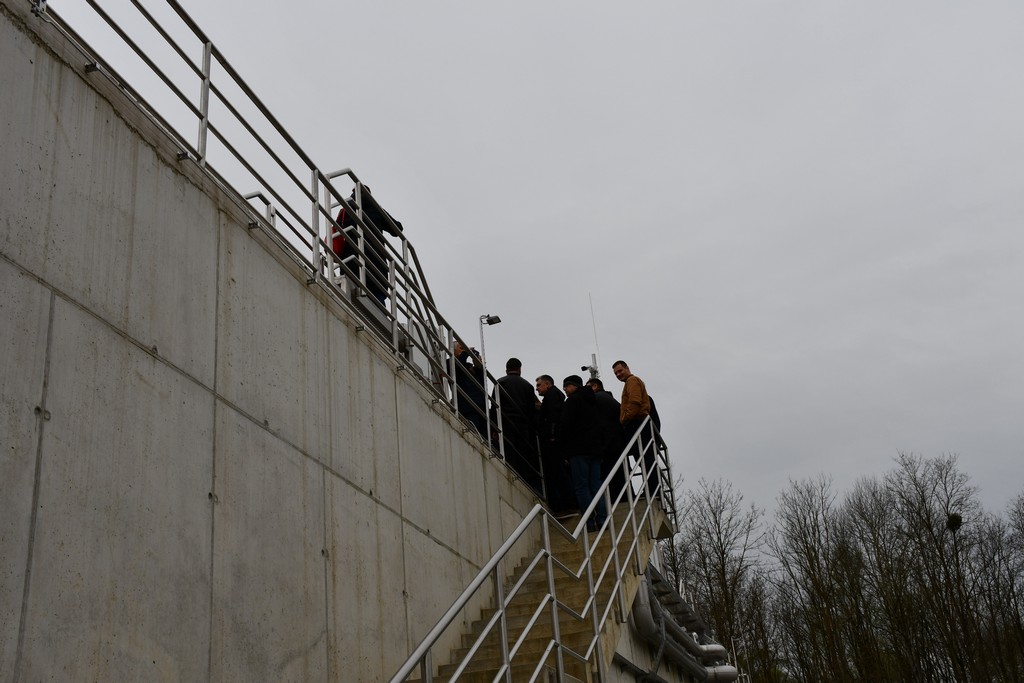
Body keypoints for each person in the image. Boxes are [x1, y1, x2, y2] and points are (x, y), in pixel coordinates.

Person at [331, 184, 403, 305]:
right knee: (378, 304)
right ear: (369, 194)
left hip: (350, 263)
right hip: (376, 265)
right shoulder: (376, 209)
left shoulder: (345, 209)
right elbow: (397, 229)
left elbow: (336, 233)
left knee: (348, 301)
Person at [559, 375, 606, 532]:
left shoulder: (572, 401)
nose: (564, 389)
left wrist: (564, 451)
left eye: (566, 386)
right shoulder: (594, 401)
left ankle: (589, 522)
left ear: (574, 386)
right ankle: (603, 519)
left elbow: (564, 426)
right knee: (596, 485)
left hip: (578, 451)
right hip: (595, 450)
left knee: (582, 487)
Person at [494, 358, 541, 495]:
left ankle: (510, 474)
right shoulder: (527, 386)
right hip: (523, 425)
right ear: (520, 369)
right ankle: (524, 480)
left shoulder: (500, 382)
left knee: (509, 451)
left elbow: (494, 405)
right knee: (522, 453)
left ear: (506, 368)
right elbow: (531, 409)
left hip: (506, 422)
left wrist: (494, 427)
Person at [612, 360, 658, 497]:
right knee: (644, 459)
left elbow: (635, 401)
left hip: (637, 422)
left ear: (627, 368)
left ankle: (652, 489)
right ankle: (651, 488)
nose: (618, 374)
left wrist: (624, 418)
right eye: (616, 373)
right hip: (637, 422)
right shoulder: (630, 382)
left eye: (620, 371)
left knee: (645, 458)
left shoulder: (632, 381)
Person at [535, 375, 573, 516]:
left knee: (557, 472)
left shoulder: (552, 396)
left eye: (539, 385)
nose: (537, 388)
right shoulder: (554, 396)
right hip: (554, 440)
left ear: (547, 384)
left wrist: (551, 436)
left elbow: (553, 417)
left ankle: (565, 505)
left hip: (552, 442)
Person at [587, 377, 627, 500]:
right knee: (620, 474)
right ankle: (624, 497)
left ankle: (616, 499)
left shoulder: (597, 399)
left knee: (609, 475)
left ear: (595, 386)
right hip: (618, 442)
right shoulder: (610, 400)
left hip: (607, 444)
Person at [453, 340, 486, 437]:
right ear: (453, 351)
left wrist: (478, 366)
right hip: (468, 408)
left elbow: (482, 383)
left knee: (484, 440)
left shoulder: (469, 366)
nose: (464, 351)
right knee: (473, 436)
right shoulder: (451, 362)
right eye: (461, 348)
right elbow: (457, 367)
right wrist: (466, 353)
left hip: (481, 409)